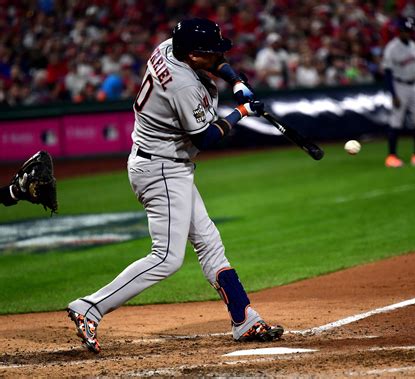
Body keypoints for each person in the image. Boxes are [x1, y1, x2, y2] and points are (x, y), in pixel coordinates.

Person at [66, 18, 284, 354]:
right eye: (211, 53)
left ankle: (244, 320)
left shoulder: (169, 47)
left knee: (210, 242)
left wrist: (238, 82)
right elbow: (207, 136)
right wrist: (242, 111)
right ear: (194, 56)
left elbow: (216, 64)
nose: (217, 57)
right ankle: (89, 308)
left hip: (164, 164)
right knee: (167, 257)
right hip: (162, 169)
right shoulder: (183, 86)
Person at [382, 17, 415, 168]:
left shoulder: (414, 46)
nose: (408, 33)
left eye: (409, 31)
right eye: (405, 31)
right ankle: (391, 157)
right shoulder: (391, 48)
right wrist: (393, 94)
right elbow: (387, 73)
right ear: (399, 31)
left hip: (414, 86)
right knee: (396, 122)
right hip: (399, 85)